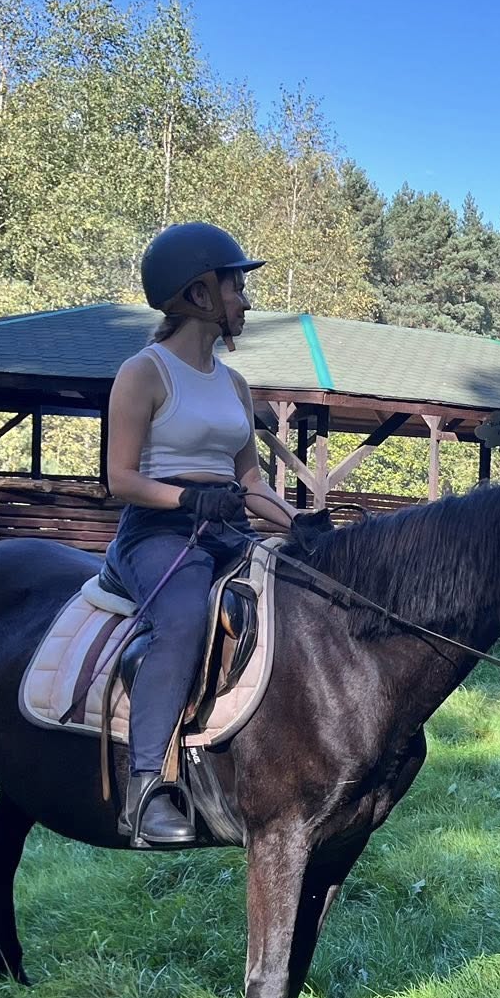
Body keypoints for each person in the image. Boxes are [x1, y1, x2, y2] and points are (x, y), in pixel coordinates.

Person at [103, 222, 332, 846]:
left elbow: (251, 478)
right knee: (181, 619)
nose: (246, 301)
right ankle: (146, 787)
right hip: (157, 531)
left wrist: (298, 524)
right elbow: (119, 477)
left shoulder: (233, 384)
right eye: (236, 287)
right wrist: (186, 495)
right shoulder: (143, 373)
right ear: (200, 295)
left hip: (226, 527)